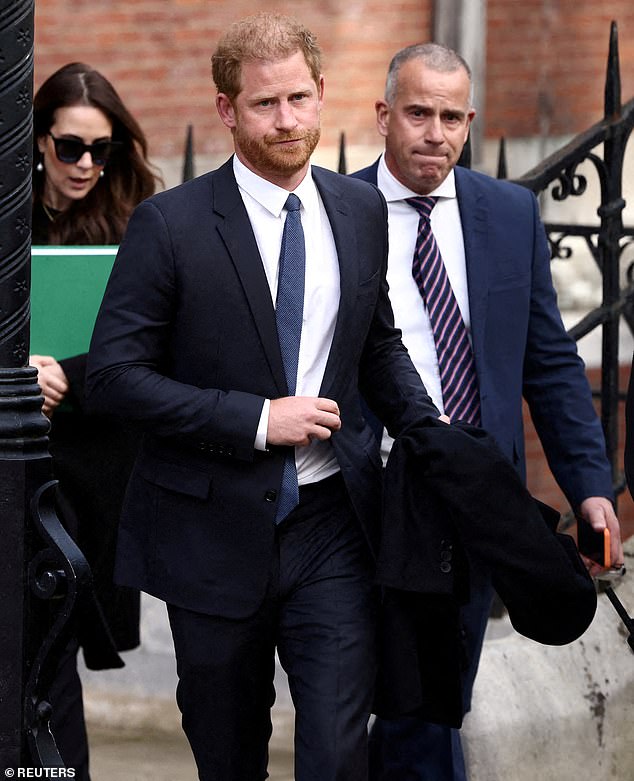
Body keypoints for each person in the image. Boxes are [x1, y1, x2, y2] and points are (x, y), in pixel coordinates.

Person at [84, 13, 440, 781]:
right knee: (228, 752)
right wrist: (254, 419)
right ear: (226, 110)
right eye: (264, 104)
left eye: (300, 100)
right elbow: (114, 376)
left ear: (320, 94)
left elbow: (375, 342)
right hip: (209, 529)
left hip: (330, 525)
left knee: (338, 749)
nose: (287, 121)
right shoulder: (169, 225)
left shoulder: (358, 209)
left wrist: (432, 429)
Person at [352, 42, 625, 781]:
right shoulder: (335, 209)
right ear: (383, 115)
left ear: (469, 122)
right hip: (364, 491)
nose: (434, 132)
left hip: (471, 497)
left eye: (450, 116)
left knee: (436, 701)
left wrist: (591, 489)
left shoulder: (507, 213)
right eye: (416, 113)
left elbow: (550, 363)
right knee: (368, 701)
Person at [30, 62, 160, 778]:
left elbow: (152, 336)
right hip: (17, 449)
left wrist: (64, 374)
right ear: (40, 142)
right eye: (70, 147)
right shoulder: (11, 215)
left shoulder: (141, 216)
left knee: (58, 632)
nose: (86, 164)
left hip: (95, 458)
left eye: (101, 149)